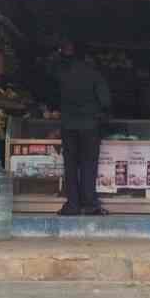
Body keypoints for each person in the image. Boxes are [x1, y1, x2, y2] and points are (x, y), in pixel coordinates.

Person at [53, 39, 111, 216]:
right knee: (89, 164)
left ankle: (73, 205)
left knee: (70, 165)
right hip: (90, 127)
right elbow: (106, 101)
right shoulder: (95, 75)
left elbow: (54, 97)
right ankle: (90, 205)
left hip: (69, 126)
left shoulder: (62, 75)